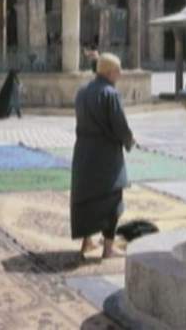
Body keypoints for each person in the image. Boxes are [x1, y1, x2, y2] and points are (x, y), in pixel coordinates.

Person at [71, 53, 136, 260]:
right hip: (106, 157)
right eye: (118, 70)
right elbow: (119, 125)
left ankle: (86, 242)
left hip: (83, 153)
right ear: (109, 72)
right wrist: (129, 140)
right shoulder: (110, 94)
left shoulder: (82, 93)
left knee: (87, 199)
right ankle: (108, 249)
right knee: (111, 201)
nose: (120, 74)